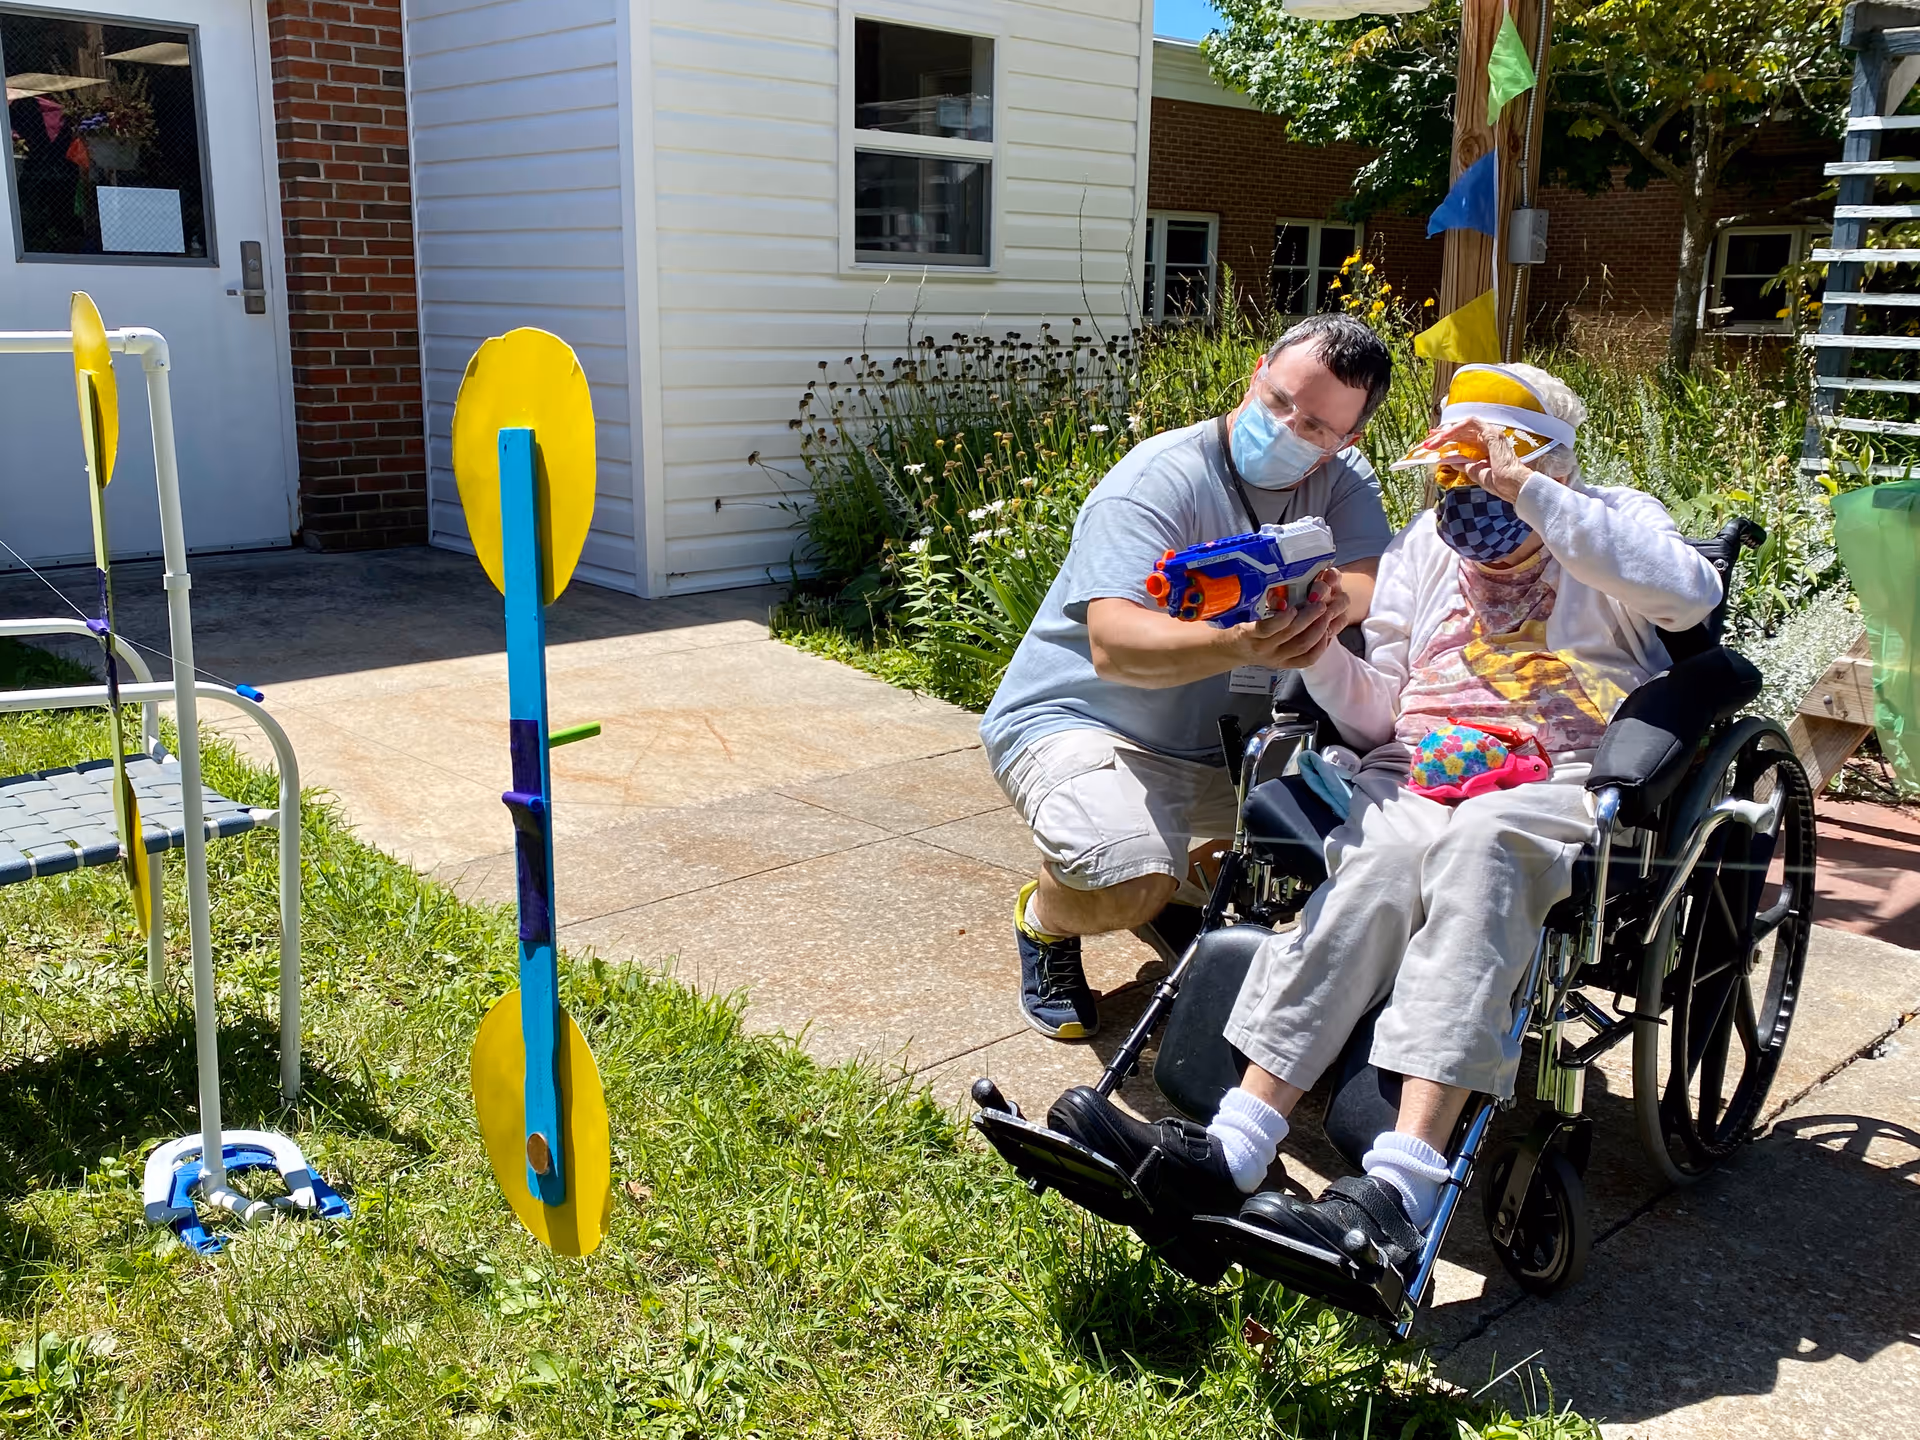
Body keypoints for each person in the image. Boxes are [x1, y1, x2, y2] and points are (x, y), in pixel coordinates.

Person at [1048, 362, 1725, 1266]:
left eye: (1480, 469)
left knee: (1482, 853)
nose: (1463, 490)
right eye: (1452, 471)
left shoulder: (1615, 519)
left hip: (1554, 770)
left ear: (1550, 464)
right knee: (1371, 862)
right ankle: (1240, 1142)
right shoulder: (1426, 546)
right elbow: (1379, 713)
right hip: (1418, 765)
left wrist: (1531, 498)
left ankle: (1401, 1188)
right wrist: (1322, 650)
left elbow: (1690, 595)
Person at [980, 314, 1397, 1041]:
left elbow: (1372, 582)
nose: (1290, 427)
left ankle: (1177, 879)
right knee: (1127, 879)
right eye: (1278, 402)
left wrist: (1321, 605)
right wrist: (1245, 641)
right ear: (1255, 373)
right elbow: (1115, 646)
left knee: (1368, 845)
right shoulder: (1156, 478)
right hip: (1083, 723)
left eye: (1317, 427)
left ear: (1347, 440)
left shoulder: (1341, 481)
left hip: (1227, 755)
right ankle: (1048, 921)